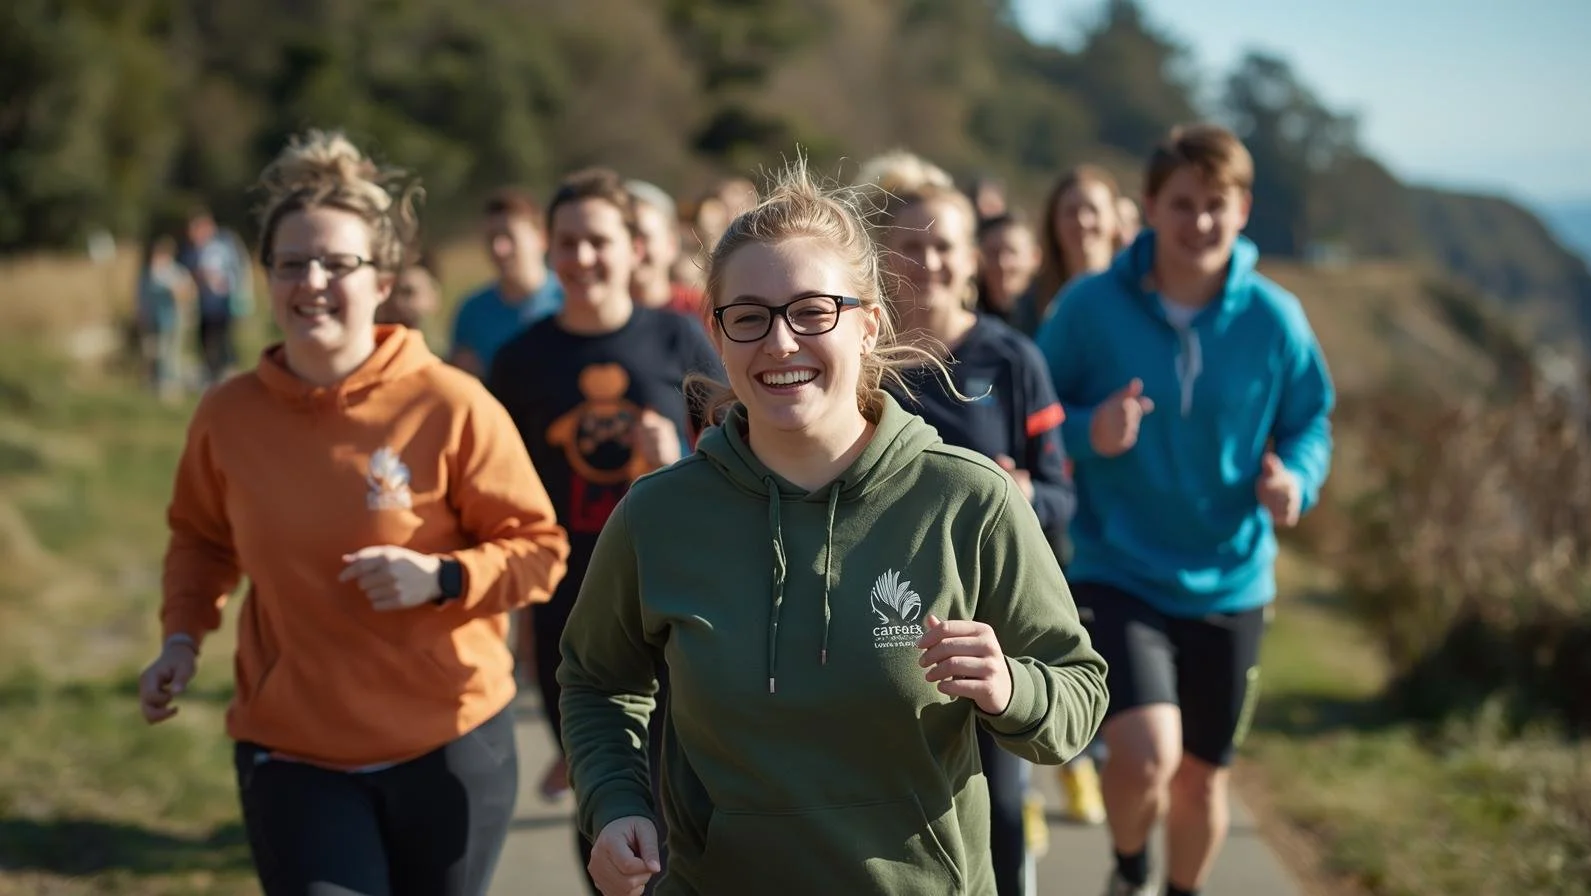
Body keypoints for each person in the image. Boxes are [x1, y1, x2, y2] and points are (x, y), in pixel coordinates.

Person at [557, 163, 1109, 896]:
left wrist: (1011, 688)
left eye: (813, 311)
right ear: (716, 334)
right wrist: (616, 802)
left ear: (869, 321)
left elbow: (1079, 694)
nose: (781, 344)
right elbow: (596, 680)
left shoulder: (968, 499)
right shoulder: (659, 515)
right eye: (748, 317)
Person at [137, 129, 572, 896]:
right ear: (265, 276)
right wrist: (181, 635)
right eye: (292, 263)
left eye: (338, 264)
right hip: (293, 749)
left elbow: (539, 551)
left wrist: (441, 577)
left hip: (450, 740)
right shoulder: (228, 415)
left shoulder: (449, 402)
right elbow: (202, 540)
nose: (313, 282)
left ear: (382, 279)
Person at [1034, 123, 1335, 896]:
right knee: (1145, 756)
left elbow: (1310, 418)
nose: (1200, 222)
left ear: (1243, 211)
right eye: (1182, 204)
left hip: (1232, 579)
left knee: (1202, 782)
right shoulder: (1091, 306)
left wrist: (1296, 479)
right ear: (1151, 208)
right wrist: (1087, 432)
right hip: (1118, 567)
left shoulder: (1274, 318)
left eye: (1216, 205)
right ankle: (1130, 867)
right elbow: (1034, 412)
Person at [485, 166, 722, 888]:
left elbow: (741, 465)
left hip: (680, 597)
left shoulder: (680, 340)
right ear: (548, 250)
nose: (582, 258)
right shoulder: (521, 360)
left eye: (598, 241)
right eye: (567, 242)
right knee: (609, 796)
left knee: (680, 792)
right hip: (570, 611)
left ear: (633, 250)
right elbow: (494, 496)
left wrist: (678, 457)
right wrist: (508, 628)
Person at [882, 182, 1079, 896]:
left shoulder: (1013, 360)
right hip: (886, 620)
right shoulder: (864, 362)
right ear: (885, 256)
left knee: (996, 808)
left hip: (990, 627)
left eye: (943, 246)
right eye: (910, 245)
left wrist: (1023, 495)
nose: (927, 261)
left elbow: (1063, 493)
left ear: (971, 259)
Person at [448, 188, 564, 377]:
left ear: (541, 239)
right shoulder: (472, 312)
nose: (499, 249)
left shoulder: (568, 301)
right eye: (491, 238)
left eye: (509, 236)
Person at [1015, 166, 1127, 338]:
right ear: (1054, 223)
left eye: (1093, 210)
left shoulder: (1133, 293)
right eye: (1070, 212)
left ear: (1113, 219)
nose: (1082, 221)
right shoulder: (1031, 301)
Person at [178, 205, 253, 388]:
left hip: (223, 303)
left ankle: (228, 376)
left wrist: (239, 294)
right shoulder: (191, 251)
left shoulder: (224, 245)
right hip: (203, 305)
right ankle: (212, 376)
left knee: (224, 341)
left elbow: (237, 270)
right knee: (205, 341)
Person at [625, 179, 703, 316]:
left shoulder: (703, 312)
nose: (633, 248)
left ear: (671, 245)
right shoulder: (586, 315)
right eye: (624, 236)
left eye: (643, 237)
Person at [135, 232, 197, 401]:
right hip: (153, 319)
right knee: (155, 353)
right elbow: (141, 297)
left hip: (173, 319)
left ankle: (170, 387)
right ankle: (156, 385)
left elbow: (188, 291)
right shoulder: (148, 273)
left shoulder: (175, 271)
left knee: (171, 354)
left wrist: (180, 295)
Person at [976, 213, 1042, 321]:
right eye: (993, 253)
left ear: (1035, 258)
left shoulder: (1051, 313)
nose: (1002, 263)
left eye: (1012, 252)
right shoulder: (966, 316)